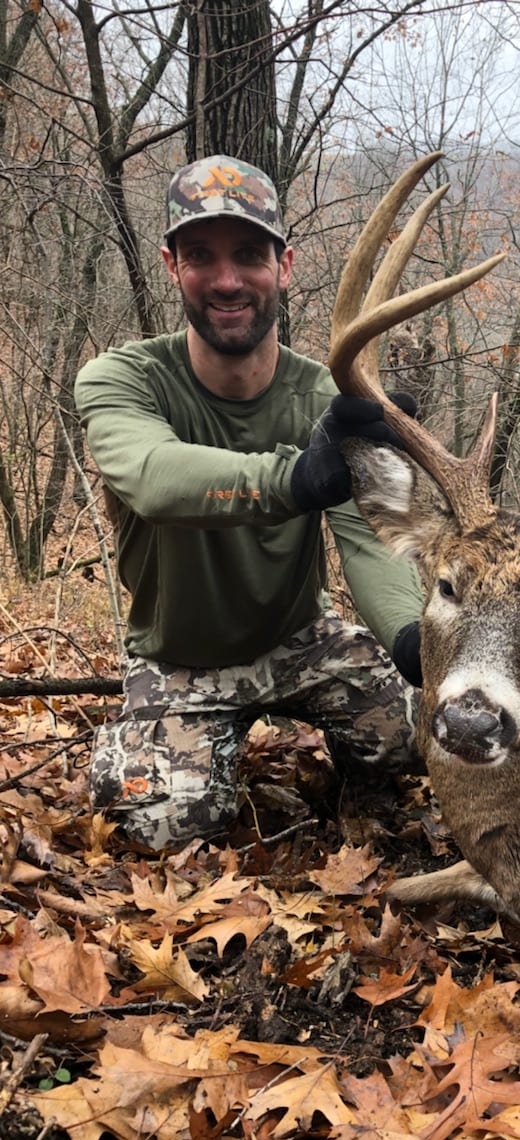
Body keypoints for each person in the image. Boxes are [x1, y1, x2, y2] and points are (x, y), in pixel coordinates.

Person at [75, 155, 425, 851]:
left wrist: (416, 638)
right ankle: (161, 753)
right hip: (180, 657)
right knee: (164, 823)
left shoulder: (329, 399)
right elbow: (154, 475)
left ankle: (358, 791)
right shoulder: (122, 381)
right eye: (201, 255)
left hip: (300, 639)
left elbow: (369, 541)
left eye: (249, 255)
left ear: (284, 266)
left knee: (419, 732)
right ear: (172, 267)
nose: (228, 279)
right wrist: (297, 478)